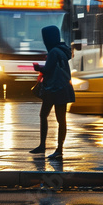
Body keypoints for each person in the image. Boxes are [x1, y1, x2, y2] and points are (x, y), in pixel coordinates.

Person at [30, 25, 75, 159]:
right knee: (61, 119)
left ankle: (48, 147)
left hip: (54, 89)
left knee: (44, 115)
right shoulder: (62, 50)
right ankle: (58, 149)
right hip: (63, 88)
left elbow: (48, 69)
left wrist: (38, 67)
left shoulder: (54, 52)